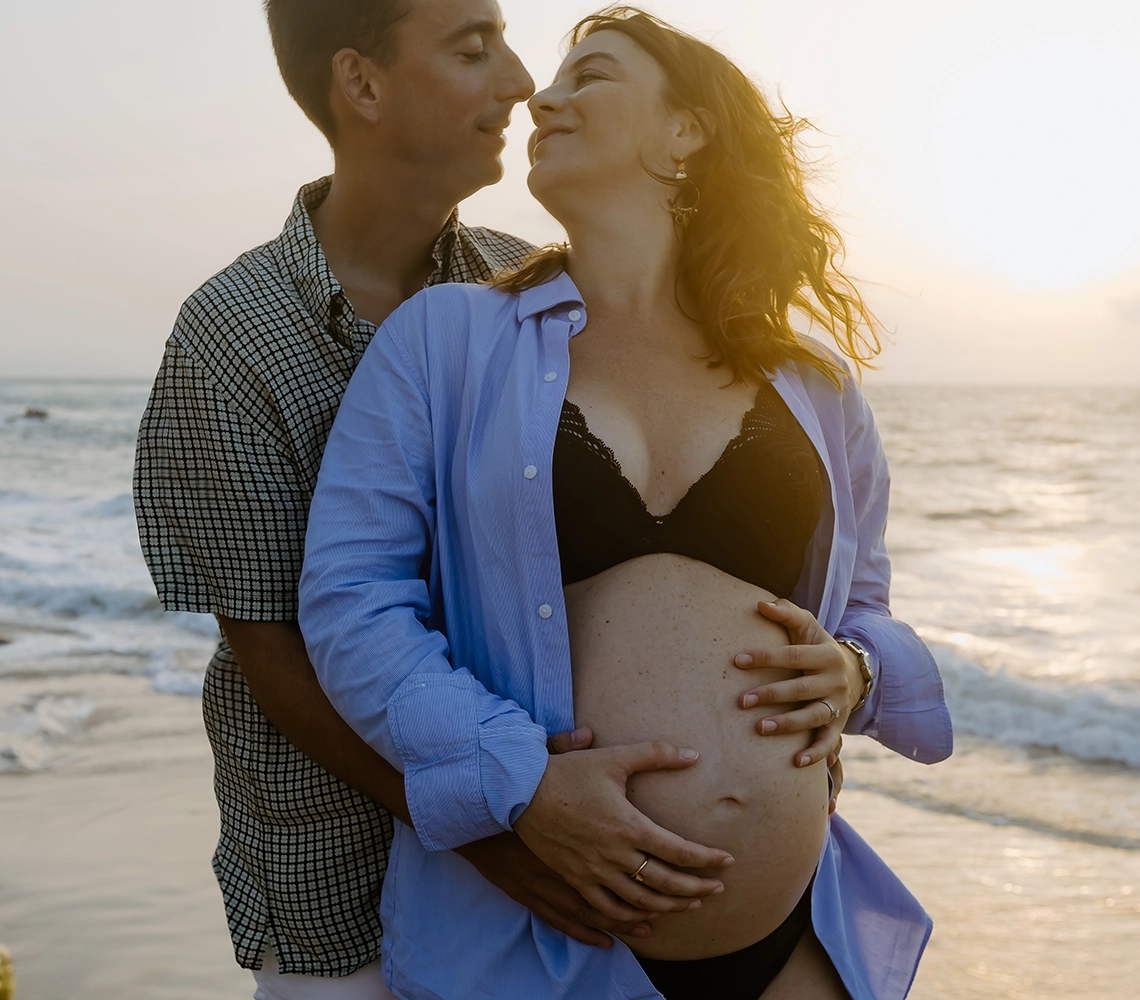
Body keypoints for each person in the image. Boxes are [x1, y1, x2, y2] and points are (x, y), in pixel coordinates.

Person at [134, 2, 859, 997]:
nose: (523, 84)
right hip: (343, 873)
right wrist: (508, 817)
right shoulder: (237, 334)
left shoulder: (519, 284)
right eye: (476, 51)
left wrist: (849, 676)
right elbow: (280, 647)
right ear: (364, 86)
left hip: (625, 893)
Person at [298, 8, 952, 1000]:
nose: (542, 97)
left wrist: (857, 672)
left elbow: (861, 609)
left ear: (686, 131)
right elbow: (351, 600)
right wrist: (520, 782)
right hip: (534, 936)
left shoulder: (812, 386)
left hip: (792, 942)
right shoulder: (449, 339)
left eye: (589, 75)